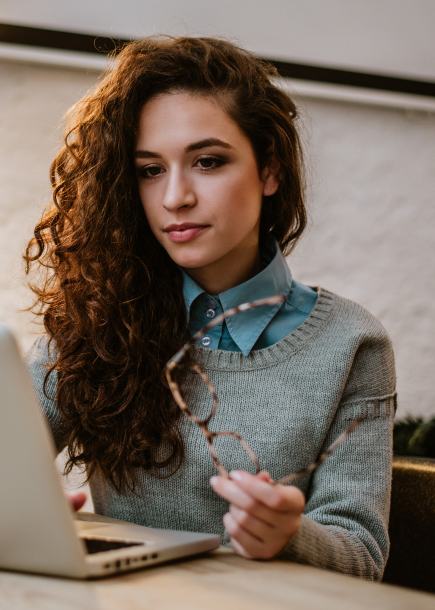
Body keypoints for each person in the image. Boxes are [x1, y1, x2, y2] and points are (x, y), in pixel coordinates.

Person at [23, 37, 396, 581]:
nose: (175, 196)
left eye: (207, 161)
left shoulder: (352, 344)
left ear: (270, 171)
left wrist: (292, 536)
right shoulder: (97, 320)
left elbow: (362, 556)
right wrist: (22, 510)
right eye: (150, 169)